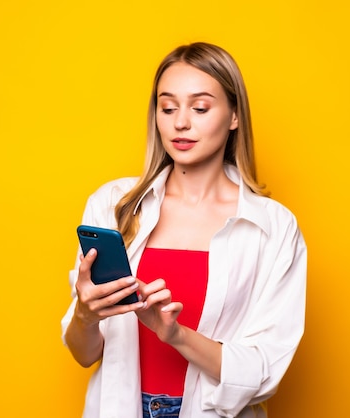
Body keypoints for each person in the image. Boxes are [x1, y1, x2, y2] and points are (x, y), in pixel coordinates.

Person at [61, 42, 307, 418]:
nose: (180, 122)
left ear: (234, 116)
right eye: (168, 107)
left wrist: (176, 335)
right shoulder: (113, 206)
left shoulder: (272, 227)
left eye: (200, 107)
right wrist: (86, 314)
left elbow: (264, 371)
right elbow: (84, 355)